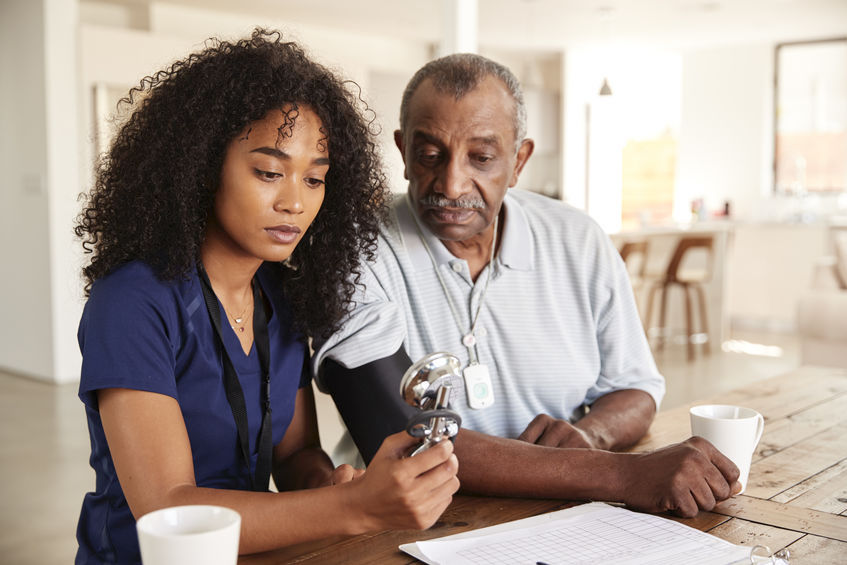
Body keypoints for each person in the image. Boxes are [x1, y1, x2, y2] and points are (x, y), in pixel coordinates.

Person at [73, 30, 459, 564]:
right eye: (269, 172)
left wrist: (329, 482)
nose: (294, 202)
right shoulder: (132, 304)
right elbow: (168, 511)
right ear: (203, 165)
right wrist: (354, 507)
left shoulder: (278, 295)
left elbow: (295, 454)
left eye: (315, 179)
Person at [313, 53, 740, 518]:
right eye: (431, 154)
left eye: (482, 157)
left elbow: (634, 389)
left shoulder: (579, 240)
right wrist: (621, 474)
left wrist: (589, 437)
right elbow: (398, 431)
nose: (453, 184)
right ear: (402, 152)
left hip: (563, 513)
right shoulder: (350, 250)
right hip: (403, 524)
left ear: (519, 160)